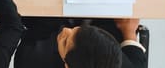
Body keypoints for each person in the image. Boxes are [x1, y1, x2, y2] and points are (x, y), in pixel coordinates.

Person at [14, 17, 147, 68]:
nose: (66, 30)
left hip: (45, 42)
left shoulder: (29, 62)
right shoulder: (115, 59)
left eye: (66, 41)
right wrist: (129, 32)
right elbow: (137, 63)